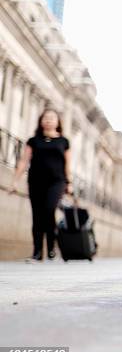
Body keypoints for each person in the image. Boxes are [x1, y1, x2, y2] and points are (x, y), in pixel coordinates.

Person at [10, 108, 72, 261]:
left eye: (52, 118)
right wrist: (14, 181)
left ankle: (51, 245)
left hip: (57, 181)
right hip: (36, 181)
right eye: (46, 118)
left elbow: (68, 164)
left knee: (49, 209)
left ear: (58, 122)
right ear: (41, 121)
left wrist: (69, 183)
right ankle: (37, 252)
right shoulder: (34, 140)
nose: (49, 120)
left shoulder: (64, 141)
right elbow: (24, 161)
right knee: (37, 215)